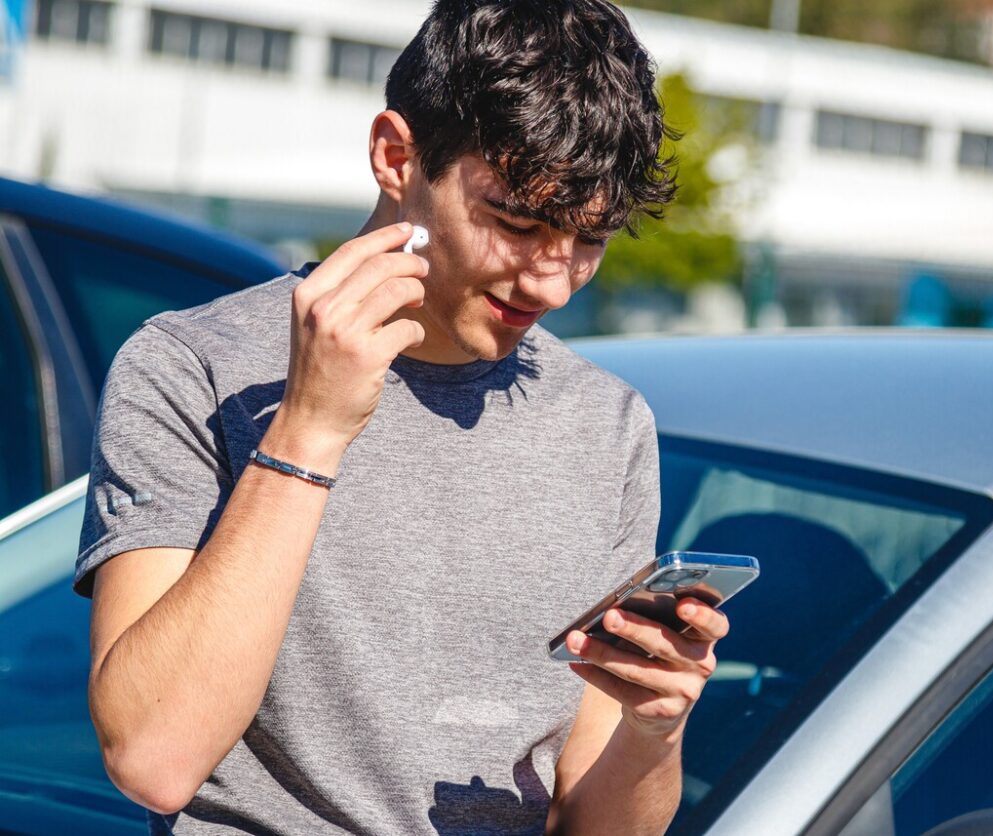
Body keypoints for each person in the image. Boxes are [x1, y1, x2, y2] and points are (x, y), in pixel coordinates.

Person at [75, 1, 732, 833]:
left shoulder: (608, 425)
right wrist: (308, 431)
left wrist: (652, 730)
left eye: (591, 240)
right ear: (396, 157)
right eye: (517, 222)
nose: (553, 283)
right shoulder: (191, 367)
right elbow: (152, 758)